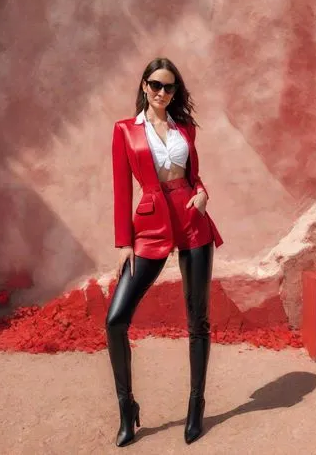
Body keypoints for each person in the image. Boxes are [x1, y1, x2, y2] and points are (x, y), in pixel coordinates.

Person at [106, 57, 223, 447]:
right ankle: (127, 409)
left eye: (169, 87)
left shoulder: (185, 128)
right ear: (143, 86)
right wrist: (124, 242)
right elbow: (122, 188)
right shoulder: (125, 130)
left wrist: (203, 193)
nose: (161, 92)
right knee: (115, 320)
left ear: (175, 92)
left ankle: (196, 405)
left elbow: (194, 176)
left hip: (192, 219)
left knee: (198, 320)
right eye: (155, 85)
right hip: (151, 225)